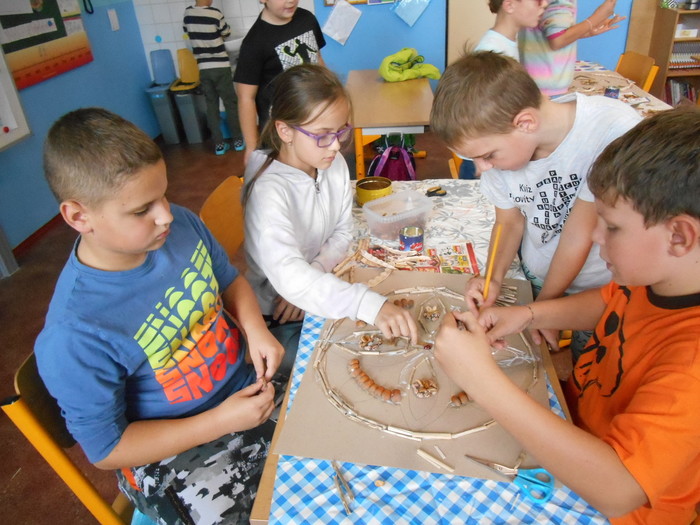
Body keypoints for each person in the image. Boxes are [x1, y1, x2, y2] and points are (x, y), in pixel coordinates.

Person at [434, 107, 700, 524]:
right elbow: (608, 304)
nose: (594, 236)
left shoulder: (692, 366)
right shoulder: (659, 278)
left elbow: (619, 490)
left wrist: (480, 379)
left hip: (611, 506)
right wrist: (528, 315)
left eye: (612, 227)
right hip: (572, 427)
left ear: (679, 236)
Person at [35, 107, 286, 524]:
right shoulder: (74, 333)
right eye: (142, 210)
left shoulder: (180, 226)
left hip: (243, 387)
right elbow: (108, 450)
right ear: (79, 217)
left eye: (164, 194)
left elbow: (229, 280)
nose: (166, 214)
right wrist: (220, 420)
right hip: (174, 450)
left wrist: (256, 330)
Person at [430, 51, 641, 362]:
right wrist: (493, 278)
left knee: (592, 362)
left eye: (487, 156)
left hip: (598, 288)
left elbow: (579, 234)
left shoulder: (610, 131)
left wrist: (544, 309)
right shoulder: (502, 143)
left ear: (525, 123)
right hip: (541, 277)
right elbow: (508, 222)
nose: (482, 168)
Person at [243, 63, 418, 351]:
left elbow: (342, 231)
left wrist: (313, 274)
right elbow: (287, 274)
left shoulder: (330, 162)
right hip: (276, 310)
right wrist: (367, 304)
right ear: (285, 131)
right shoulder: (267, 192)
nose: (336, 146)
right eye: (322, 134)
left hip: (313, 287)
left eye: (341, 131)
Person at [234, 0, 325, 165]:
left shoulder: (307, 19)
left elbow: (317, 59)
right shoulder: (254, 42)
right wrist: (251, 147)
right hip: (281, 134)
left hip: (314, 120)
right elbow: (245, 98)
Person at [519, 0, 625, 96]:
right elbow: (558, 40)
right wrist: (596, 18)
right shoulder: (560, 2)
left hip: (535, 82)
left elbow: (553, 34)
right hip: (546, 87)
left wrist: (588, 30)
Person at [183, 0, 245, 155]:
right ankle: (238, 141)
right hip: (221, 66)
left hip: (204, 68)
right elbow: (226, 33)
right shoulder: (215, 13)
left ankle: (219, 145)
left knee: (211, 105)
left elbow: (187, 31)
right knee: (230, 103)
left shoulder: (188, 14)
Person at [475, 0, 549, 61]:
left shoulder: (509, 41)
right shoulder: (490, 53)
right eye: (538, 0)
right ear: (509, 6)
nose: (545, 4)